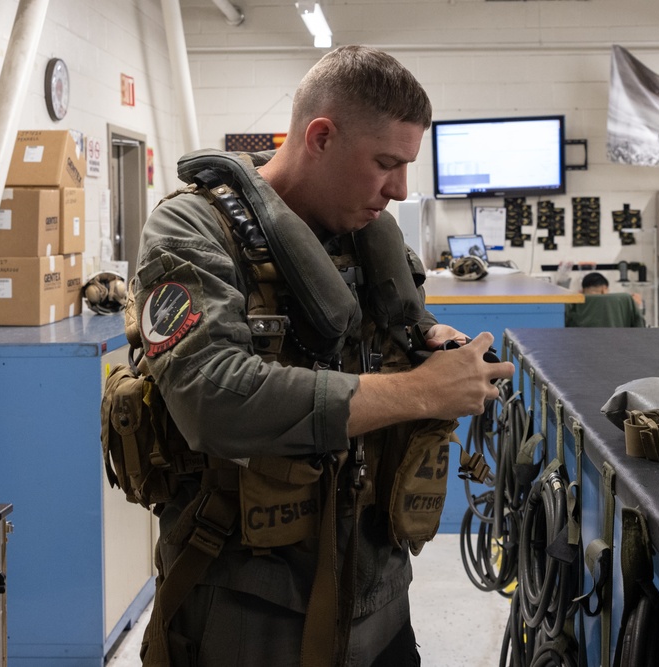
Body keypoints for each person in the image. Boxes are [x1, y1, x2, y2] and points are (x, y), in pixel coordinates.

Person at [132, 45, 514, 666]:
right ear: (321, 137)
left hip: (380, 596)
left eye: (407, 165)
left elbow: (403, 335)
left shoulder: (367, 236)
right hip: (246, 614)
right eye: (386, 163)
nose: (399, 189)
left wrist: (431, 347)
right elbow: (212, 398)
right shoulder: (192, 233)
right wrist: (421, 392)